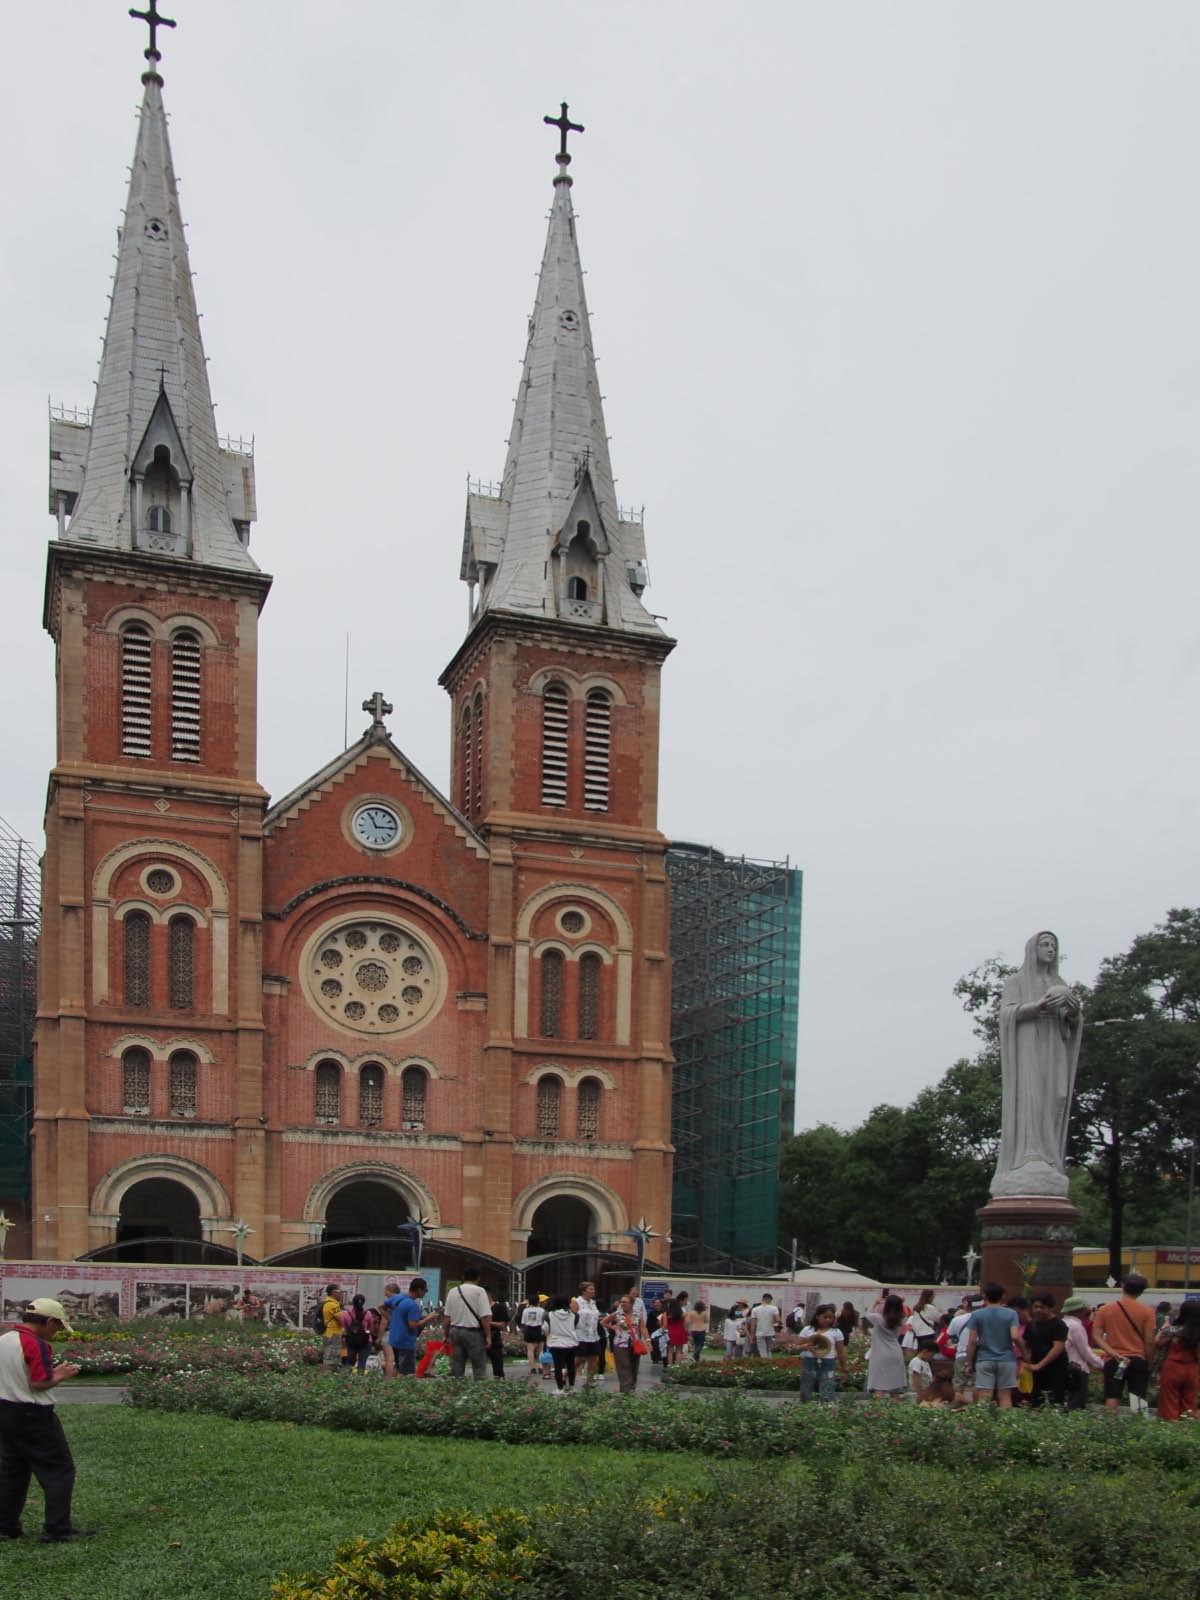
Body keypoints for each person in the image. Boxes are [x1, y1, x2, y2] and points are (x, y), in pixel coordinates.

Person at [991, 930, 1083, 1200]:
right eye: (1045, 944)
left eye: (1053, 945)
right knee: (1033, 1096)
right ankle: (1030, 1154)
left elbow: (1072, 1022)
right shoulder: (1017, 981)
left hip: (1054, 1043)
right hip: (1030, 1044)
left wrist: (1074, 1011)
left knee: (1058, 1095)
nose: (1050, 949)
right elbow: (1006, 1014)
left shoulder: (1059, 982)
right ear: (1033, 949)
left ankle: (1049, 1156)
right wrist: (1036, 1007)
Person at [0, 1298, 89, 1542]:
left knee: (14, 1470)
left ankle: (5, 1526)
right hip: (33, 1415)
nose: (56, 1333)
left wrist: (52, 1372)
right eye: (57, 1327)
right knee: (59, 1470)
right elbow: (39, 1383)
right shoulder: (36, 1344)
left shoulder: (4, 1340)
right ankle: (57, 1529)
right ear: (49, 1321)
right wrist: (61, 1375)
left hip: (5, 1411)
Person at [1092, 1274, 1156, 1412]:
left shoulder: (1105, 1309)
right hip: (1138, 1359)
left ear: (1122, 1286)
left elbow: (1096, 1336)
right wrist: (1149, 1363)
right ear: (1141, 1292)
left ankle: (1109, 1424)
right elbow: (1150, 1341)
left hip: (1115, 1360)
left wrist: (1113, 1353)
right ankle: (1137, 1424)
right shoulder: (1148, 1312)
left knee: (1112, 1396)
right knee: (1138, 1398)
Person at [964, 1282, 1025, 1409]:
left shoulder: (977, 1314)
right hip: (1007, 1359)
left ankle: (983, 1420)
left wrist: (969, 1362)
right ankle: (1005, 1421)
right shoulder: (1011, 1314)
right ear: (1003, 1296)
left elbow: (972, 1341)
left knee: (985, 1395)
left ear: (985, 1296)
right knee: (1005, 1395)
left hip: (984, 1358)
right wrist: (1025, 1353)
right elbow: (1015, 1336)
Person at [1155, 1299, 1200, 1421]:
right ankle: (1187, 1427)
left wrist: (1163, 1329)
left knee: (1169, 1403)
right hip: (1192, 1369)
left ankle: (1170, 1427)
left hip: (1172, 1368)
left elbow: (1157, 1342)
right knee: (1190, 1404)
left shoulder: (1173, 1330)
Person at [382, 1277, 437, 1377]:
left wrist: (392, 1319)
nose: (425, 1293)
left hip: (394, 1340)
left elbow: (381, 1307)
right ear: (419, 1290)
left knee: (398, 1369)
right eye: (425, 1290)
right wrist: (428, 1318)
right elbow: (413, 1325)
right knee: (407, 1375)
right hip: (406, 1342)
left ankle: (392, 1385)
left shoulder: (398, 1297)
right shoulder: (413, 1305)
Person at [444, 1267, 492, 1379]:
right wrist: (488, 1336)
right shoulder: (480, 1291)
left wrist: (446, 1335)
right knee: (479, 1366)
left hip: (455, 1331)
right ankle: (478, 1388)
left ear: (463, 1277)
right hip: (473, 1333)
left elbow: (447, 1317)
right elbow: (484, 1317)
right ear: (478, 1278)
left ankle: (457, 1385)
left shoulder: (452, 1291)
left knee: (457, 1365)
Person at [1024, 1293, 1069, 1408]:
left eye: (1042, 1307)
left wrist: (1040, 1365)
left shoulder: (1059, 1325)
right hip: (1036, 1369)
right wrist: (1027, 1359)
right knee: (1036, 1400)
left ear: (1050, 1308)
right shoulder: (1032, 1324)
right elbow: (1026, 1344)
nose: (1038, 1310)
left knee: (1056, 1400)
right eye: (1036, 1307)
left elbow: (1058, 1348)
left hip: (1056, 1368)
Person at [797, 1303, 847, 1402]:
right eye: (825, 1317)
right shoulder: (807, 1330)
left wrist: (844, 1370)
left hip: (828, 1363)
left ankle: (827, 1409)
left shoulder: (836, 1332)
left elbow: (841, 1352)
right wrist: (805, 1346)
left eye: (830, 1317)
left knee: (827, 1390)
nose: (828, 1320)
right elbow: (796, 1347)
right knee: (806, 1390)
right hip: (810, 1362)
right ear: (817, 1316)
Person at [1061, 1295, 1104, 1410]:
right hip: (1077, 1369)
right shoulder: (1076, 1326)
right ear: (1080, 1310)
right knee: (1076, 1404)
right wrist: (1101, 1364)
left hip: (1064, 1367)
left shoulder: (1063, 1322)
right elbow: (1084, 1351)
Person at [861, 1294, 908, 1398]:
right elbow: (904, 1313)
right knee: (895, 1388)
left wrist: (875, 1303)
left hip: (880, 1354)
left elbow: (866, 1315)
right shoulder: (901, 1319)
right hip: (896, 1353)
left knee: (879, 1386)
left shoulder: (878, 1318)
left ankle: (880, 1408)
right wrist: (901, 1302)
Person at [602, 1294, 647, 1393]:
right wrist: (613, 1327)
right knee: (624, 1366)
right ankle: (625, 1391)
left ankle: (632, 1388)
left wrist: (648, 1340)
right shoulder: (617, 1314)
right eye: (621, 1302)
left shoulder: (638, 1314)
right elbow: (603, 1322)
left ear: (631, 1304)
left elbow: (642, 1327)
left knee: (634, 1367)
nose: (622, 1304)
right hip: (620, 1344)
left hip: (635, 1344)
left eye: (625, 1302)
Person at [544, 1295, 580, 1393]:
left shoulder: (549, 1315)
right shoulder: (574, 1315)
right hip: (571, 1343)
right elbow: (576, 1327)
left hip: (556, 1344)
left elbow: (545, 1329)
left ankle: (560, 1388)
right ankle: (572, 1386)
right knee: (571, 1366)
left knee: (558, 1367)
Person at [574, 1283, 603, 1384]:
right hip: (580, 1335)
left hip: (593, 1335)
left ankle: (589, 1382)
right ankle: (565, 1378)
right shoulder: (576, 1302)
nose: (593, 1291)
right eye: (591, 1289)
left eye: (593, 1289)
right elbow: (571, 1318)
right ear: (583, 1291)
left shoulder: (593, 1303)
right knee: (579, 1359)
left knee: (594, 1359)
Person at [339, 1294, 375, 1373]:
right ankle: (360, 1379)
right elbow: (371, 1329)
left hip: (350, 1341)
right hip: (365, 1341)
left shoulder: (346, 1314)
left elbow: (345, 1328)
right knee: (362, 1362)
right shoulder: (368, 1314)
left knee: (349, 1362)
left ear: (353, 1302)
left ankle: (346, 1378)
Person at [519, 1296, 548, 1377]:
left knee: (530, 1350)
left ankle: (532, 1368)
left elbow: (523, 1322)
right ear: (538, 1302)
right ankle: (541, 1367)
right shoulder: (542, 1310)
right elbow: (544, 1322)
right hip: (540, 1329)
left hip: (529, 1330)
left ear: (529, 1302)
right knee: (541, 1350)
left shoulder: (526, 1310)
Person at [319, 1284, 344, 1369]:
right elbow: (342, 1320)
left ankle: (329, 1375)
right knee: (330, 1360)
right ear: (334, 1292)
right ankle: (327, 1375)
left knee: (331, 1358)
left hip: (329, 1333)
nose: (341, 1293)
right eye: (340, 1291)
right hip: (334, 1334)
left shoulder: (328, 1303)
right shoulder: (333, 1305)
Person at [487, 1295, 510, 1379]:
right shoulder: (477, 1307)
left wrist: (489, 1323)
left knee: (497, 1361)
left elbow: (503, 1325)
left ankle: (499, 1378)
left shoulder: (499, 1307)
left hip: (494, 1336)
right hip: (478, 1336)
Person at [664, 1296, 688, 1365]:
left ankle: (670, 1365)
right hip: (680, 1331)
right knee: (679, 1350)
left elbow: (665, 1325)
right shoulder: (682, 1314)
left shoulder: (667, 1313)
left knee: (670, 1350)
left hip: (671, 1332)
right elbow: (685, 1324)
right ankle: (677, 1366)